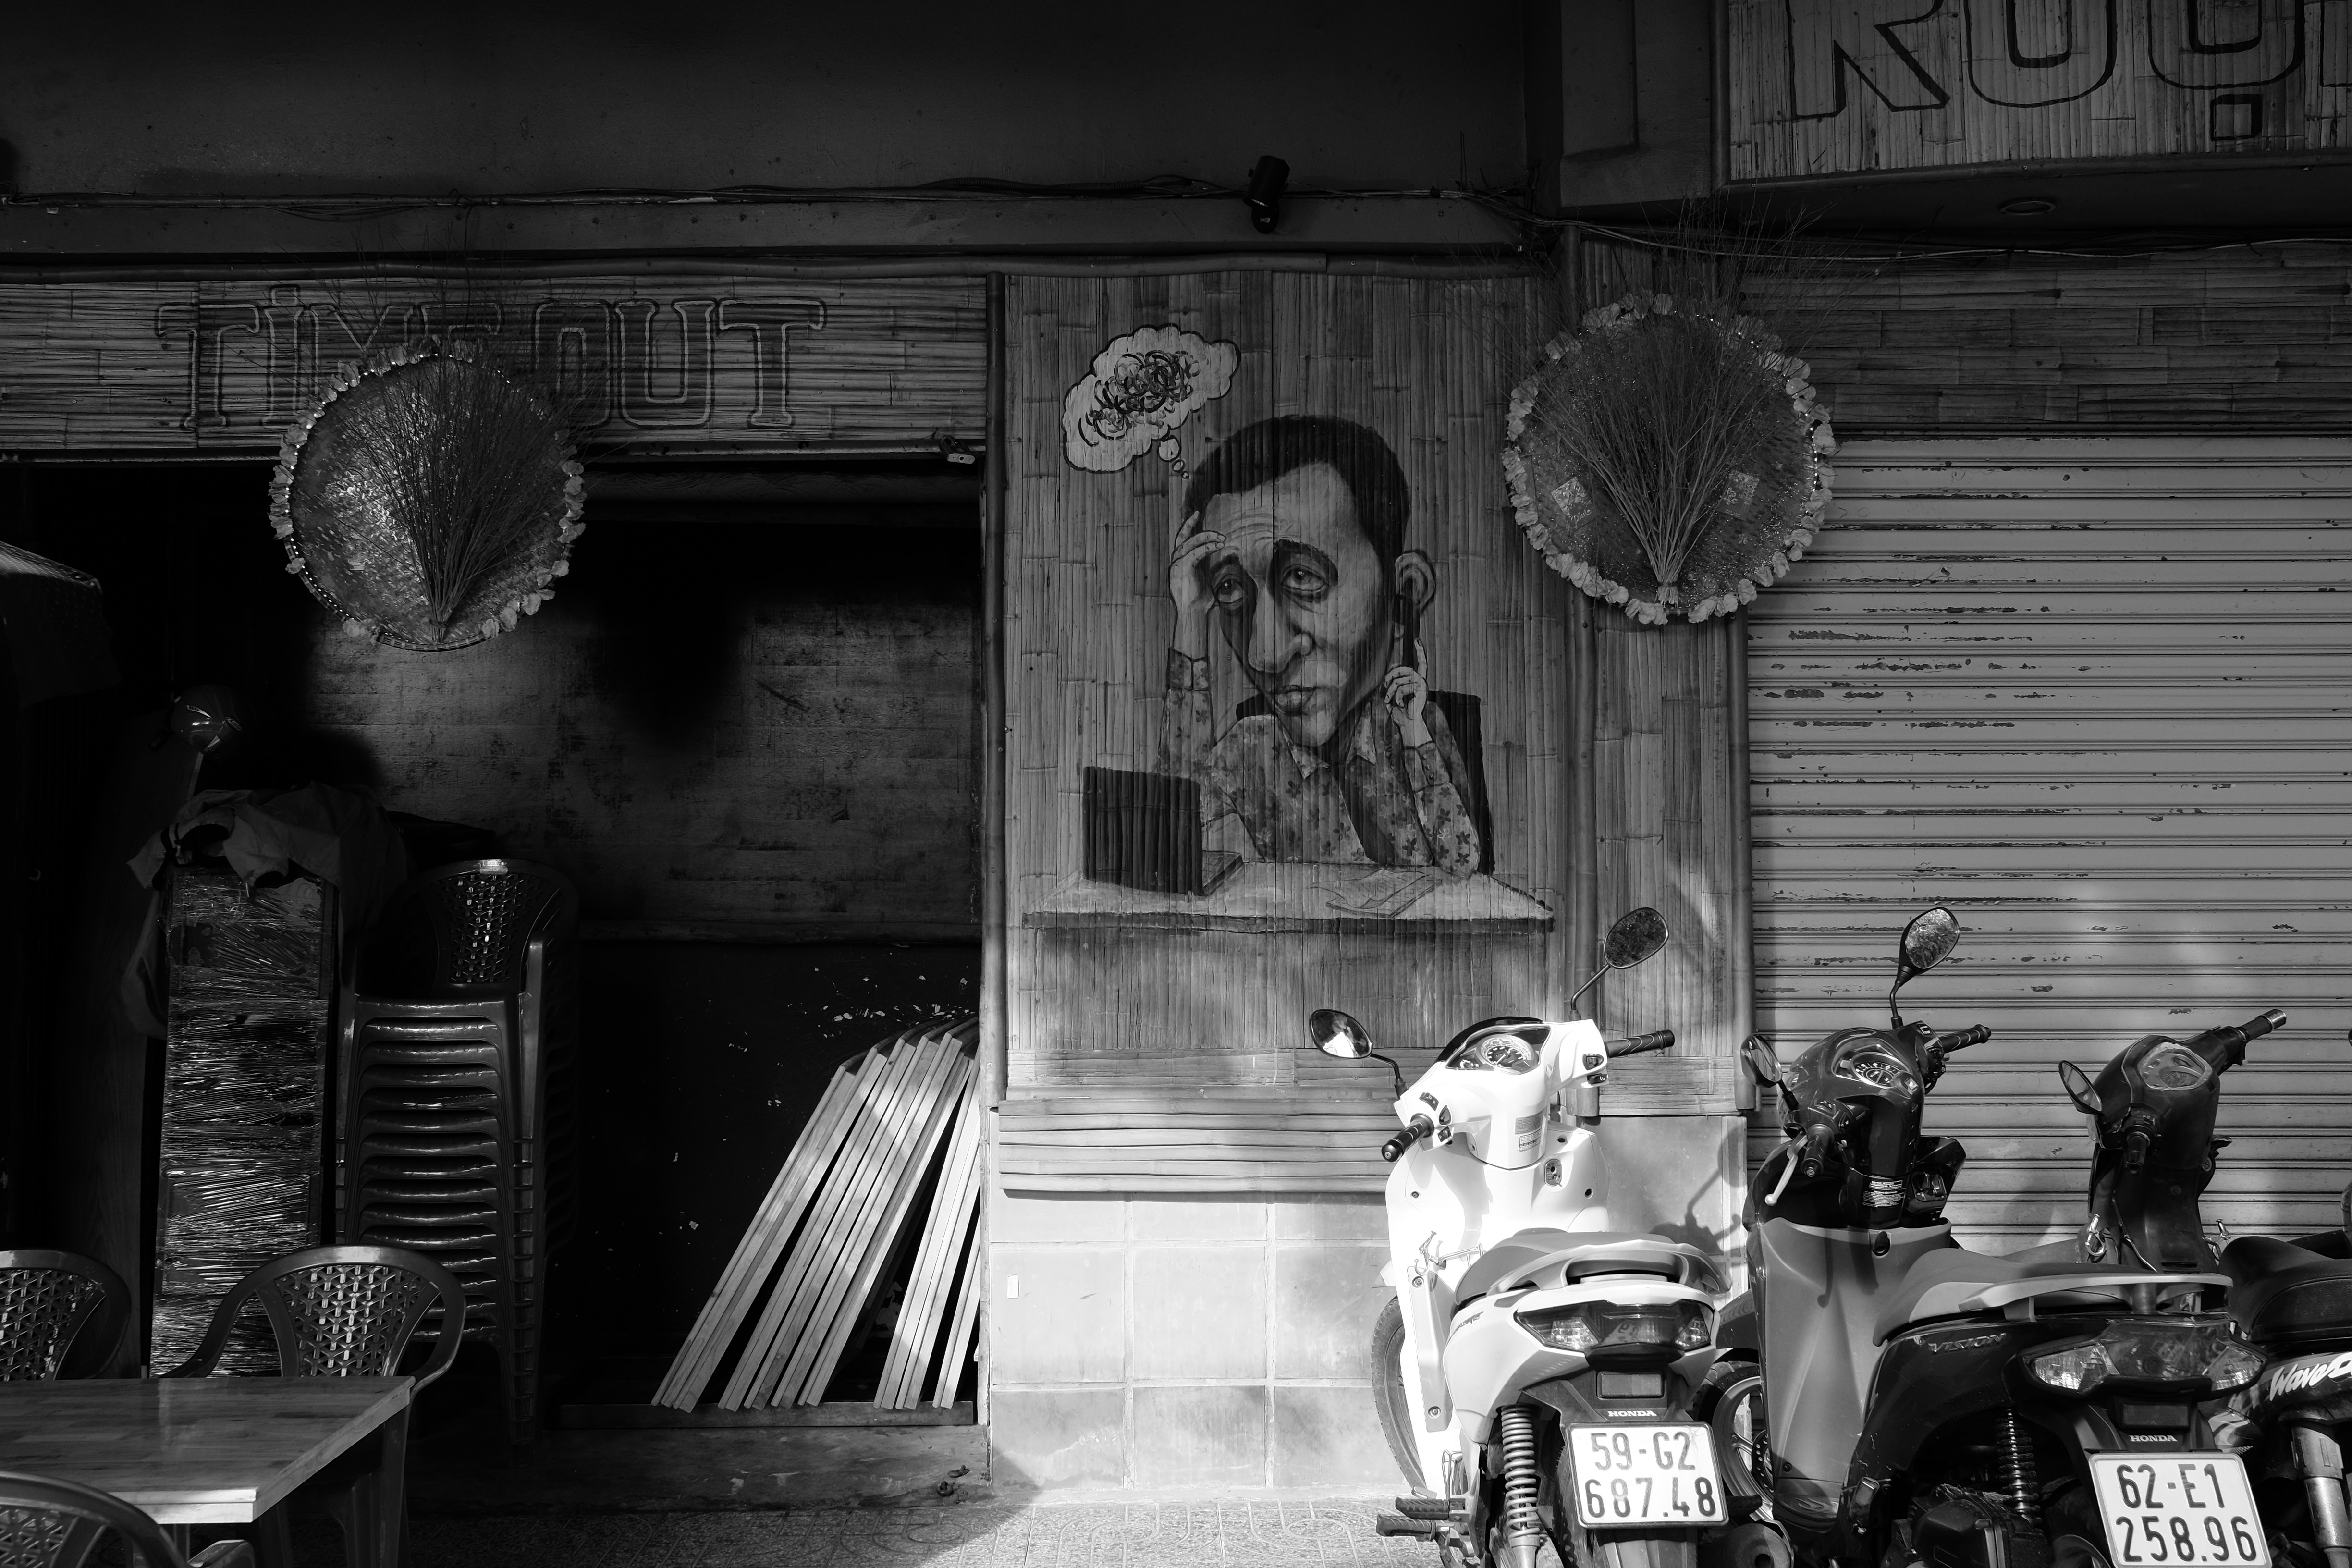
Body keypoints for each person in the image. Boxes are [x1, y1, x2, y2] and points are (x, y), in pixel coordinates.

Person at [1157, 415, 1481, 876]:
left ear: (1403, 595)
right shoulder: (1250, 754)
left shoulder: (1417, 729)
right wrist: (1190, 619)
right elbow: (1170, 851)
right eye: (1229, 588)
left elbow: (1464, 867)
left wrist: (1415, 737)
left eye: (1302, 577)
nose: (1264, 654)